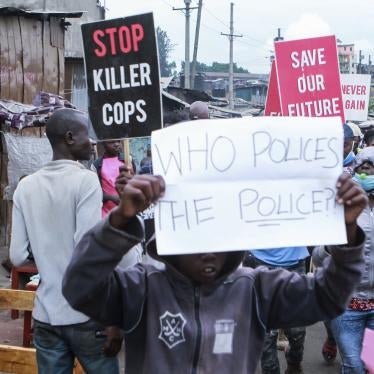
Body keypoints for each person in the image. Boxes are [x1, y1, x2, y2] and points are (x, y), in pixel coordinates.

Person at [63, 170, 367, 374]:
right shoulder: (142, 287)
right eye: (197, 234)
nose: (209, 249)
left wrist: (349, 235)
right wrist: (118, 223)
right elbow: (79, 288)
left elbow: (327, 298)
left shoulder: (257, 288)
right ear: (172, 237)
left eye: (219, 235)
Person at [9, 108, 121, 373]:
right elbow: (87, 252)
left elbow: (16, 256)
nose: (93, 142)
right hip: (85, 314)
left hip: (46, 314)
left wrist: (47, 254)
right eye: (87, 135)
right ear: (70, 137)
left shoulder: (26, 186)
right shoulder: (86, 181)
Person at [314, 146, 374, 374]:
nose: (366, 173)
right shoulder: (340, 207)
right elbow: (318, 256)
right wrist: (337, 244)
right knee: (353, 365)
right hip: (347, 305)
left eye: (372, 168)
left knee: (370, 365)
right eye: (362, 168)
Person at [244, 246, 310, 374]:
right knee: (266, 336)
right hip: (259, 262)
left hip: (295, 263)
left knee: (297, 331)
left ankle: (294, 363)